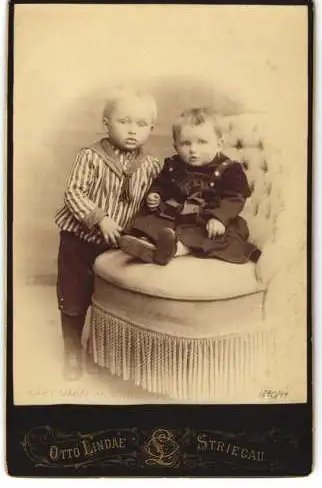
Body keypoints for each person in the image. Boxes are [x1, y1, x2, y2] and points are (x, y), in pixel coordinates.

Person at [55, 87, 161, 380]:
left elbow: (157, 195)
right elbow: (73, 192)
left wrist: (155, 199)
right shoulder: (90, 156)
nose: (132, 131)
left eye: (141, 125)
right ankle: (72, 351)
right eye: (124, 121)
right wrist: (99, 218)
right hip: (80, 241)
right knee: (74, 295)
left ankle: (108, 350)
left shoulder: (152, 166)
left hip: (116, 246)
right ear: (106, 123)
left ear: (150, 129)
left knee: (112, 295)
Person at [120, 107, 261, 266]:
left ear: (219, 144)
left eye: (202, 142)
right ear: (175, 146)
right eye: (185, 143)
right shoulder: (174, 165)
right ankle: (147, 243)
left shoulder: (229, 169)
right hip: (177, 215)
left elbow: (234, 198)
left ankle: (173, 249)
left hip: (206, 219)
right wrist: (156, 194)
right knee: (152, 220)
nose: (193, 150)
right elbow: (162, 185)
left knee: (207, 236)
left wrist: (219, 218)